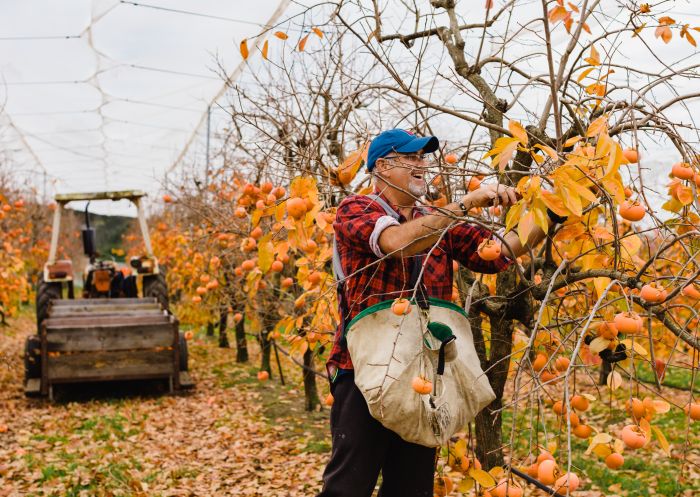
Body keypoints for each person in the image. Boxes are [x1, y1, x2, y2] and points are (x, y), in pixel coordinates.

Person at [317, 129, 560, 497]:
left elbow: (493, 254)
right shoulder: (357, 209)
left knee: (411, 488)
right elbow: (396, 243)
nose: (421, 165)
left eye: (423, 158)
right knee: (348, 486)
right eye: (411, 157)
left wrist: (547, 217)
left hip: (422, 372)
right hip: (364, 370)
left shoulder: (436, 218)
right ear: (382, 165)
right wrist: (466, 203)